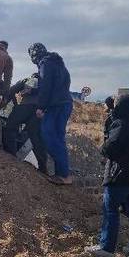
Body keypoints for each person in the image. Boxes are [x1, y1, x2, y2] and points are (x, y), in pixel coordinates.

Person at [85, 93, 129, 257]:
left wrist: (105, 143)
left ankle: (106, 248)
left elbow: (109, 148)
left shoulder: (121, 124)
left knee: (111, 210)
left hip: (120, 175)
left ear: (120, 106)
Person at [28, 43, 73, 185]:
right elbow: (61, 83)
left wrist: (41, 107)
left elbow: (46, 86)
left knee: (48, 136)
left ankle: (62, 174)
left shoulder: (45, 63)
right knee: (59, 138)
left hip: (55, 106)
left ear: (34, 55)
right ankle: (64, 174)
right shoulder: (58, 63)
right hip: (66, 103)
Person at [4, 73, 48, 175]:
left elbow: (12, 90)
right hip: (39, 112)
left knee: (10, 126)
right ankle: (43, 168)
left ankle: (11, 154)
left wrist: (11, 103)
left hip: (26, 106)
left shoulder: (28, 80)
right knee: (35, 137)